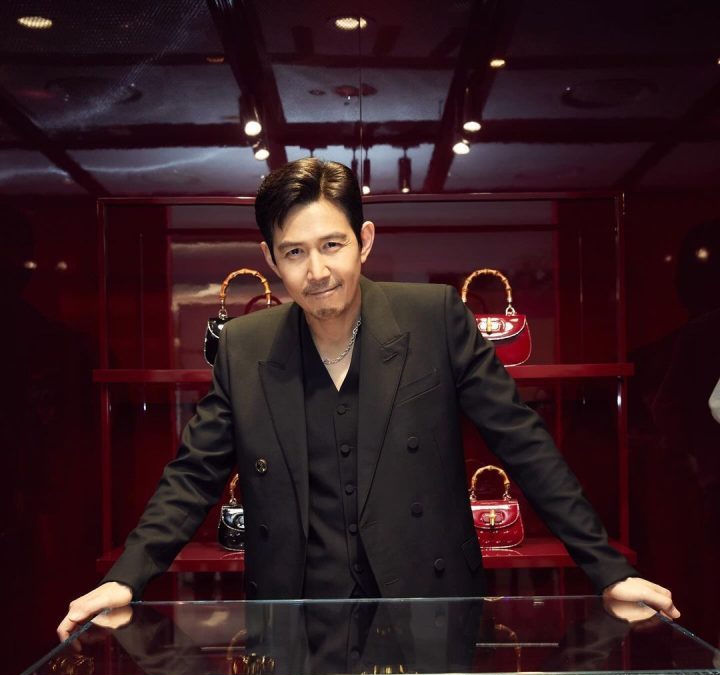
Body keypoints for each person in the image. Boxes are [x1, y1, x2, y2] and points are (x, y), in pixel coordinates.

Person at [57, 158, 679, 641]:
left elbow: (523, 443)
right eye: (294, 252)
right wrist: (125, 579)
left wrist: (608, 569)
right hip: (299, 618)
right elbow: (193, 475)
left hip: (428, 605)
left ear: (365, 240)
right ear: (269, 258)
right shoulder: (244, 347)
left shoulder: (434, 317)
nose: (316, 271)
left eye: (332, 245)